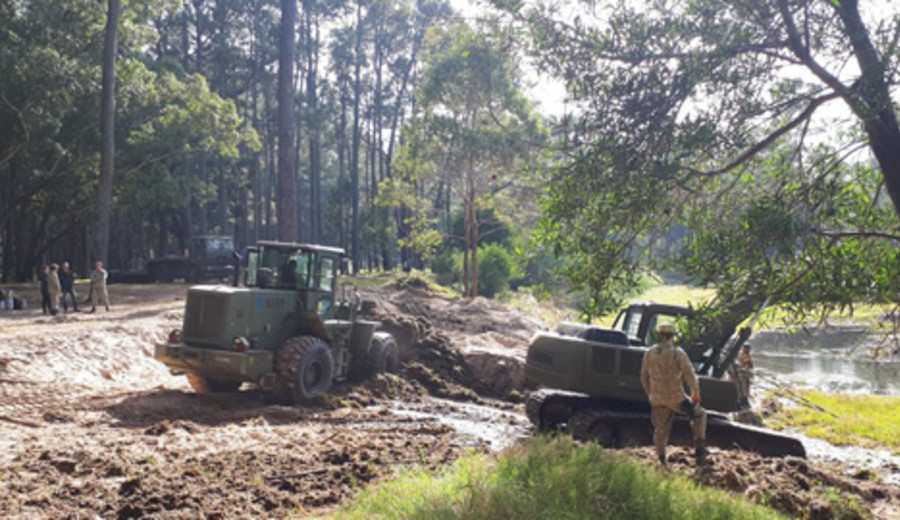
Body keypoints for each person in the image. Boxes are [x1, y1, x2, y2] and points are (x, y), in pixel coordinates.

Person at [640, 322, 708, 466]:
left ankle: (661, 459)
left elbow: (643, 377)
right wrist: (695, 392)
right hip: (677, 398)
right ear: (673, 336)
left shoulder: (649, 352)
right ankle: (699, 449)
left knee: (661, 429)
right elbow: (689, 374)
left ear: (659, 335)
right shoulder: (677, 352)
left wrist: (650, 395)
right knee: (699, 414)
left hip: (657, 398)